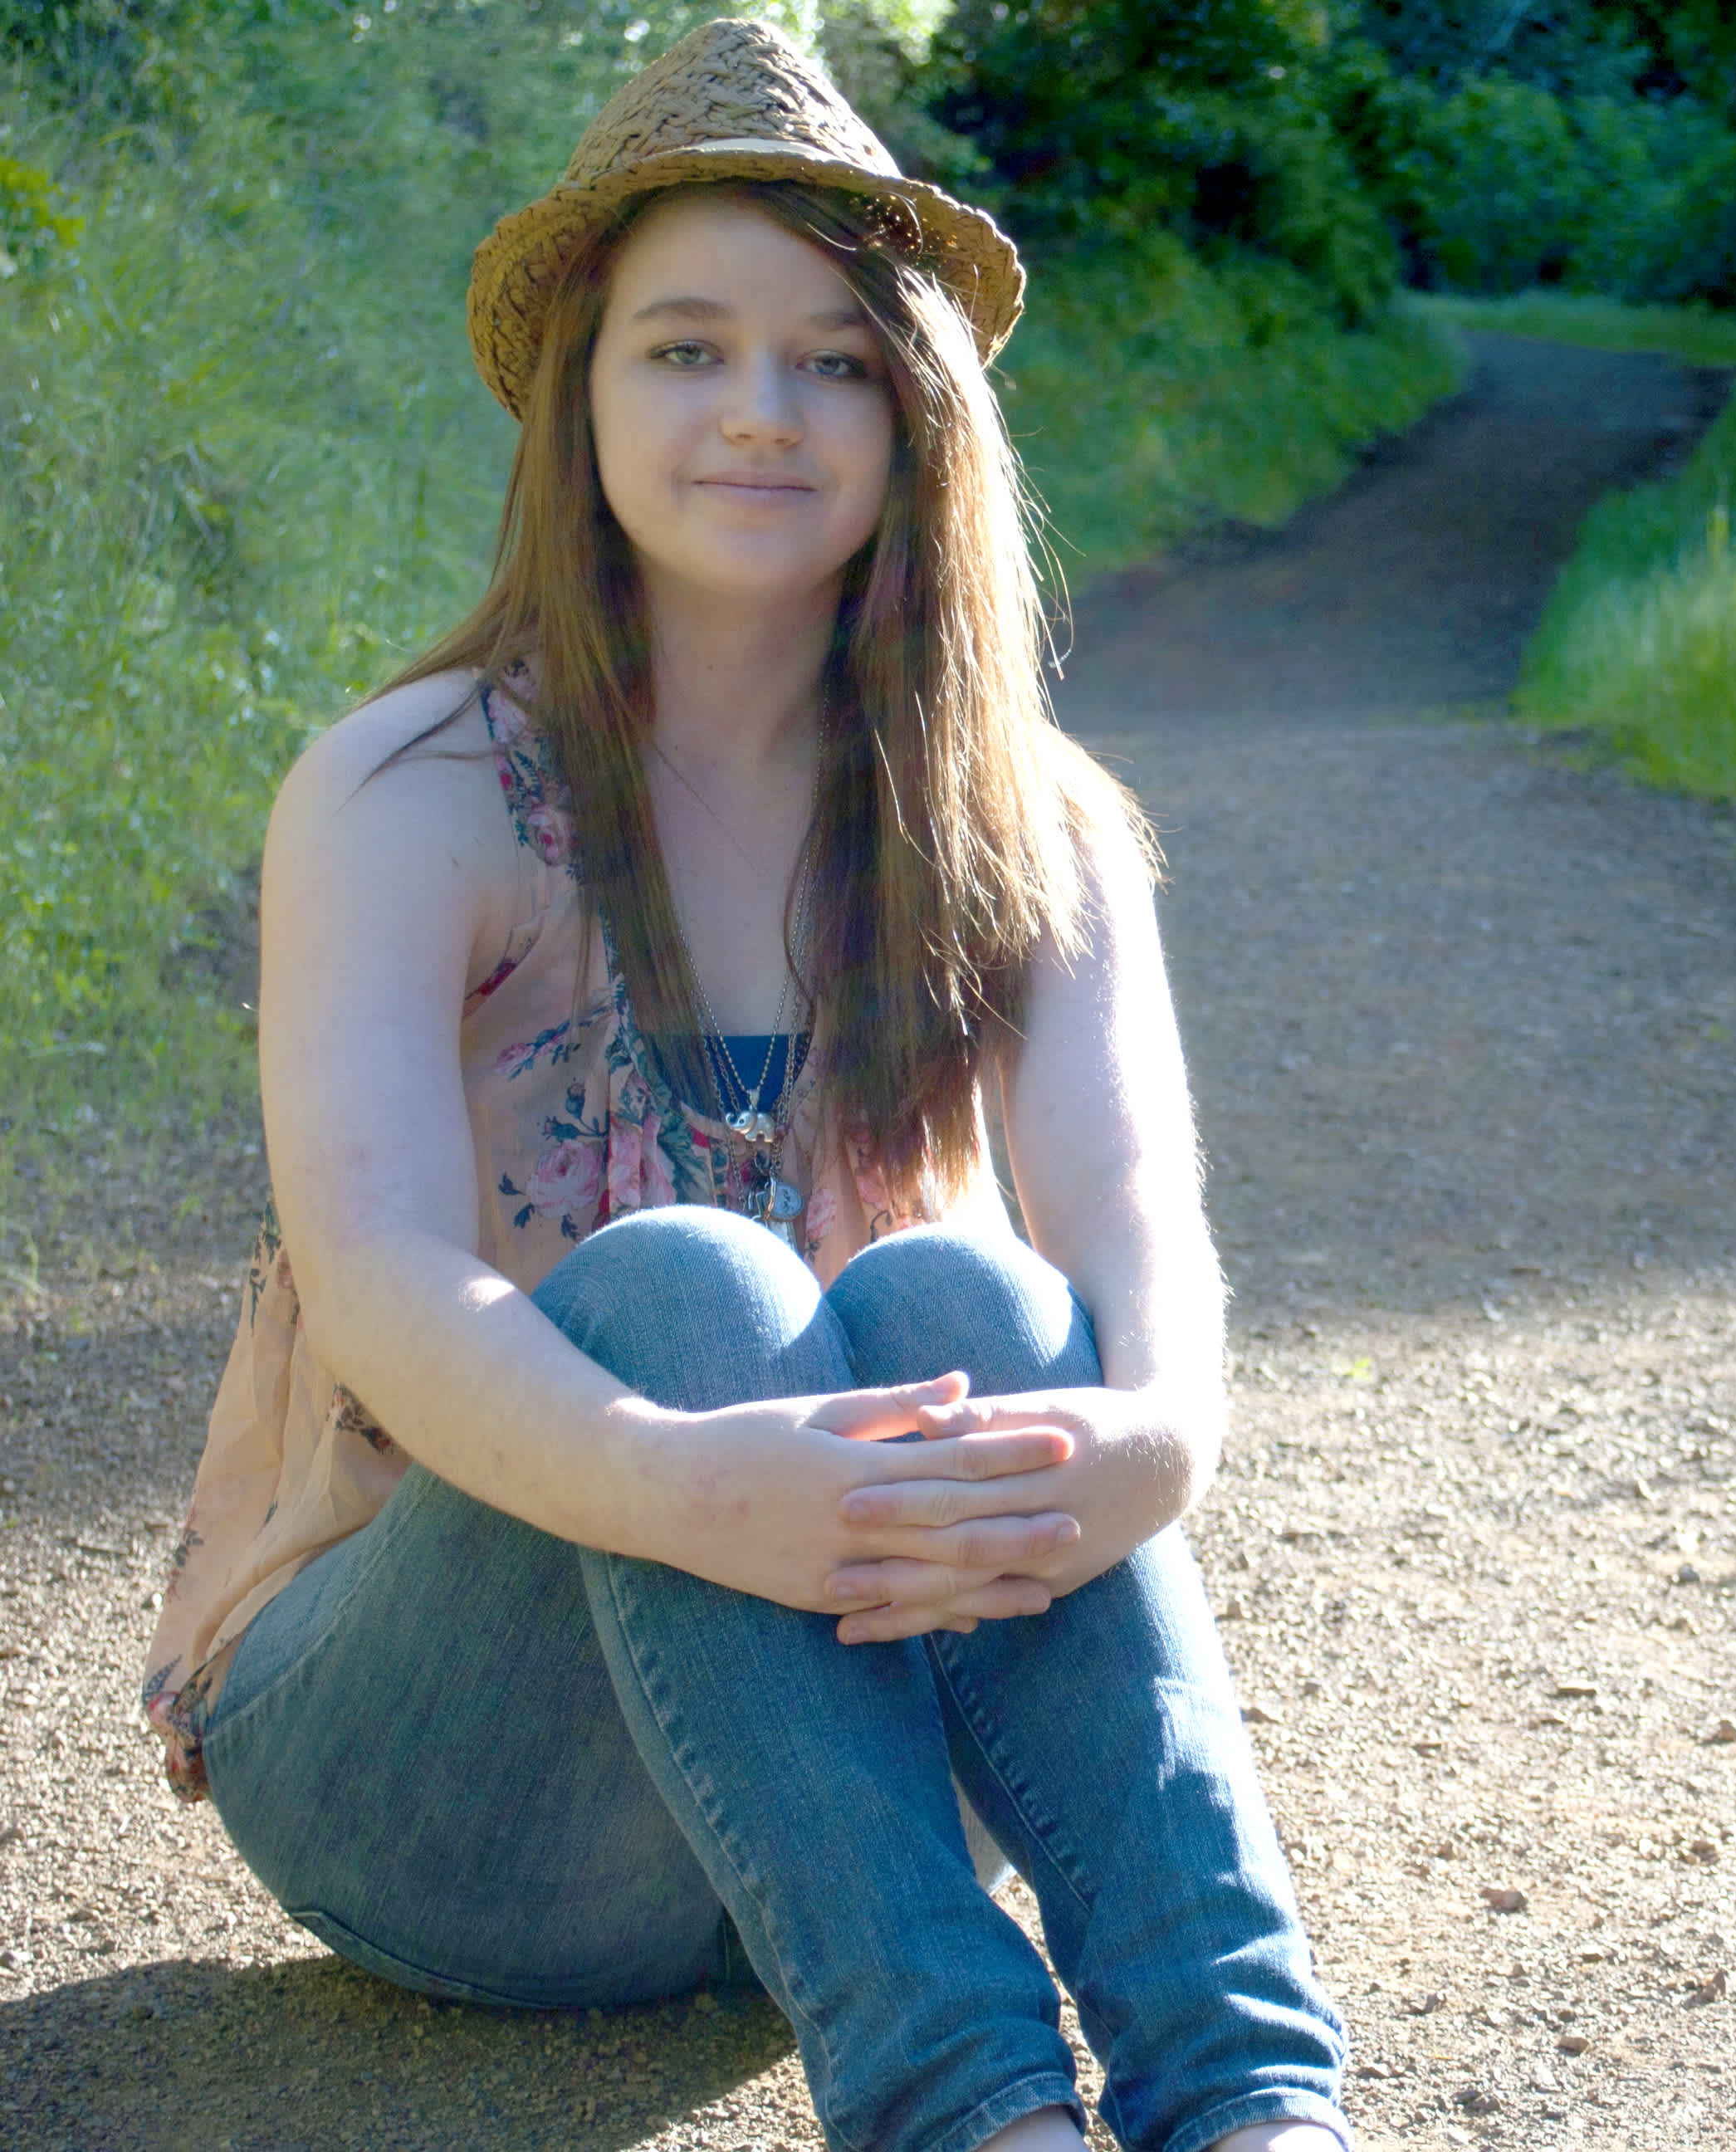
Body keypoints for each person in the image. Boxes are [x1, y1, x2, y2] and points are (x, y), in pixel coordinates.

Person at [131, 22, 1351, 2152]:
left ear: (916, 408)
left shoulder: (1029, 826)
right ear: (581, 399)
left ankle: (1247, 2101)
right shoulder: (409, 794)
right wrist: (706, 1485)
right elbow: (388, 1278)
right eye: (686, 351)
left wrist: (1153, 1438)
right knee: (684, 1280)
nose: (760, 414)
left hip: (821, 1808)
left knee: (981, 1316)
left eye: (832, 359)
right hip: (431, 1783)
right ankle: (968, 2114)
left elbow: (1140, 1235)